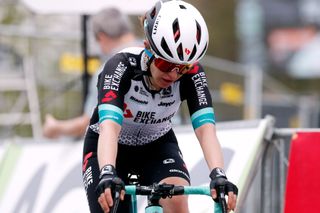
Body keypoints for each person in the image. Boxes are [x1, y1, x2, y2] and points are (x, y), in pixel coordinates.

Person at [82, 1, 238, 213]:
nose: (173, 75)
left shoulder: (193, 75)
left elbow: (205, 130)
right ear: (148, 48)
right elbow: (109, 127)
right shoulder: (120, 66)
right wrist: (108, 171)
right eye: (165, 64)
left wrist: (219, 174)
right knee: (110, 205)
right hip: (111, 145)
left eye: (182, 68)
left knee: (177, 201)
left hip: (156, 144)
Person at [42, 7, 139, 139]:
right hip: (171, 138)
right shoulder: (157, 54)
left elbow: (89, 123)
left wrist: (55, 127)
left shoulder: (108, 70)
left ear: (101, 37)